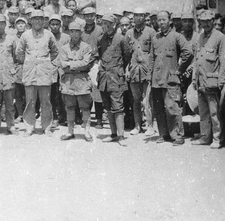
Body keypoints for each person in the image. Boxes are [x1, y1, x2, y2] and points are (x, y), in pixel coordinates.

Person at [150, 11, 192, 145]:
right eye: (159, 20)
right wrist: (149, 76)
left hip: (171, 79)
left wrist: (179, 70)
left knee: (172, 107)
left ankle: (178, 136)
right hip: (156, 80)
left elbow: (188, 52)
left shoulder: (177, 36)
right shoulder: (155, 38)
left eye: (164, 20)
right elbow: (152, 58)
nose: (161, 23)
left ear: (169, 21)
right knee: (159, 109)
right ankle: (164, 134)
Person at [16, 9, 59, 136]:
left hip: (44, 72)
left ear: (44, 21)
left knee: (46, 101)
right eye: (35, 19)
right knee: (30, 100)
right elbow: (19, 52)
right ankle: (29, 127)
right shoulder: (25, 35)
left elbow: (55, 51)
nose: (38, 21)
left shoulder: (49, 35)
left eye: (40, 19)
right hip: (30, 71)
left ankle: (46, 127)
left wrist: (47, 64)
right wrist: (29, 62)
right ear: (31, 20)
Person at [191, 10, 225, 148]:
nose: (205, 24)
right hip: (200, 81)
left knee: (215, 113)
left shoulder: (221, 38)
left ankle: (217, 138)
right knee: (203, 113)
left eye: (208, 21)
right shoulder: (200, 38)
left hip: (213, 82)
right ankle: (205, 137)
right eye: (203, 21)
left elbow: (224, 62)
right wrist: (194, 79)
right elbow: (197, 59)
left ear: (213, 21)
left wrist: (222, 82)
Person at [97, 15, 132, 145]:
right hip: (104, 78)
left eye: (107, 24)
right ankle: (113, 134)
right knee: (108, 107)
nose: (104, 26)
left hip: (116, 78)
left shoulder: (121, 39)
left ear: (113, 25)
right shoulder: (100, 39)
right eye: (103, 23)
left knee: (118, 107)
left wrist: (118, 69)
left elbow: (127, 55)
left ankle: (121, 136)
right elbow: (101, 56)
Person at [59, 22, 95, 142]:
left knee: (85, 108)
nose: (75, 34)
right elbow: (62, 65)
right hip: (68, 82)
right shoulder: (64, 48)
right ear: (69, 32)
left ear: (81, 33)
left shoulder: (86, 47)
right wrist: (75, 65)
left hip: (82, 81)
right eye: (72, 31)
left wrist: (69, 64)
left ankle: (87, 132)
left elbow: (86, 64)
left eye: (77, 31)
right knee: (69, 107)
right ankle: (70, 132)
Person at [125, 8, 156, 135]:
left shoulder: (151, 32)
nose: (138, 18)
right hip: (133, 70)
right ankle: (137, 126)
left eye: (140, 15)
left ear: (144, 17)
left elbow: (154, 53)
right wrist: (127, 69)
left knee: (147, 99)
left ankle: (150, 126)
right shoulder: (128, 33)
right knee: (136, 100)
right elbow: (126, 54)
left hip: (146, 70)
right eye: (136, 15)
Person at [49, 14, 70, 128]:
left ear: (60, 25)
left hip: (63, 69)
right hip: (51, 68)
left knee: (63, 94)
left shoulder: (66, 37)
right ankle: (54, 117)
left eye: (57, 24)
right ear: (49, 25)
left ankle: (65, 116)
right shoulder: (47, 36)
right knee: (53, 95)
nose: (55, 27)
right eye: (53, 24)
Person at [13, 16, 28, 125]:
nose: (21, 25)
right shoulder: (12, 38)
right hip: (17, 67)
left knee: (28, 93)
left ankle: (28, 114)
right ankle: (20, 114)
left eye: (23, 23)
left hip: (28, 66)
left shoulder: (29, 36)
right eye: (18, 24)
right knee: (18, 93)